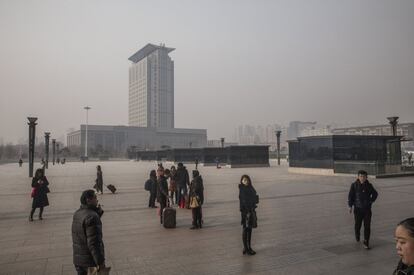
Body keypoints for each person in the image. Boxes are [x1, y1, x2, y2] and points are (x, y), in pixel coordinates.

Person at [72, 190, 109, 275]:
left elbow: (86, 228)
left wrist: (97, 213)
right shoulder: (92, 217)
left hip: (79, 260)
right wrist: (100, 262)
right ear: (88, 200)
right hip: (90, 262)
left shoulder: (78, 213)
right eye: (95, 198)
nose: (97, 200)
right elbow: (94, 243)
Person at [348, 170, 378, 249]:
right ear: (358, 177)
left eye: (364, 176)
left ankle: (366, 241)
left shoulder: (369, 185)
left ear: (366, 177)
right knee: (358, 225)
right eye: (361, 176)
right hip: (358, 209)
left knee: (367, 226)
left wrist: (371, 201)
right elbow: (350, 196)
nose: (362, 178)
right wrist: (350, 206)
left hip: (367, 209)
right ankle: (357, 234)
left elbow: (375, 194)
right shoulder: (354, 185)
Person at [239, 175, 259, 255]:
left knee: (249, 229)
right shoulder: (242, 189)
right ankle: (246, 248)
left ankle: (247, 247)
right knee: (246, 229)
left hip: (250, 210)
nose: (245, 181)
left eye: (246, 180)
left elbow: (255, 195)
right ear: (241, 181)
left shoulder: (250, 187)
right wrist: (248, 209)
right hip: (246, 212)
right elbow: (243, 201)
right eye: (244, 180)